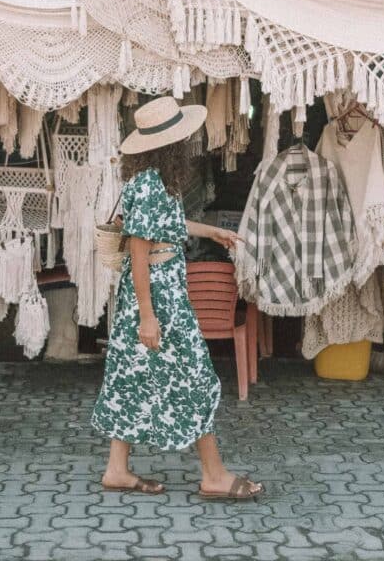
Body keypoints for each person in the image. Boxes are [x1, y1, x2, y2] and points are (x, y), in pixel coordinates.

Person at [91, 96, 264, 500]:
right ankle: (214, 474)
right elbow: (138, 251)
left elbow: (167, 225)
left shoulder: (150, 180)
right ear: (170, 145)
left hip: (155, 295)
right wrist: (148, 317)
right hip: (159, 300)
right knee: (195, 378)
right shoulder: (151, 184)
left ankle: (117, 469)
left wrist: (211, 232)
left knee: (130, 377)